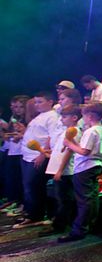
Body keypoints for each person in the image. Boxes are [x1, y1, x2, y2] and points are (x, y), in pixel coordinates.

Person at [58, 102, 102, 242]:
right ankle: (89, 225)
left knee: (84, 200)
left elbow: (84, 152)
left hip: (85, 168)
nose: (83, 119)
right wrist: (74, 143)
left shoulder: (91, 131)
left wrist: (69, 144)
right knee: (91, 198)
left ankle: (79, 230)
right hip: (95, 165)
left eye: (84, 116)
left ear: (90, 116)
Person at [15, 91, 58, 227]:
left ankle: (36, 215)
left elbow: (51, 137)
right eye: (36, 102)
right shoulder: (40, 116)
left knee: (33, 185)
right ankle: (31, 213)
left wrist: (42, 154)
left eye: (40, 102)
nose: (37, 105)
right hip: (27, 156)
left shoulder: (52, 117)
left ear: (50, 102)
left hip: (37, 156)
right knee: (29, 186)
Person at [39, 104, 82, 237]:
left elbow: (69, 152)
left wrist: (59, 170)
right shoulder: (67, 131)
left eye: (64, 117)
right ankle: (61, 223)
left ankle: (59, 225)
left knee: (64, 200)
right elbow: (61, 150)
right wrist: (50, 154)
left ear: (74, 118)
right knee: (62, 198)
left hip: (66, 171)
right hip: (61, 169)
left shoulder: (74, 131)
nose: (61, 119)